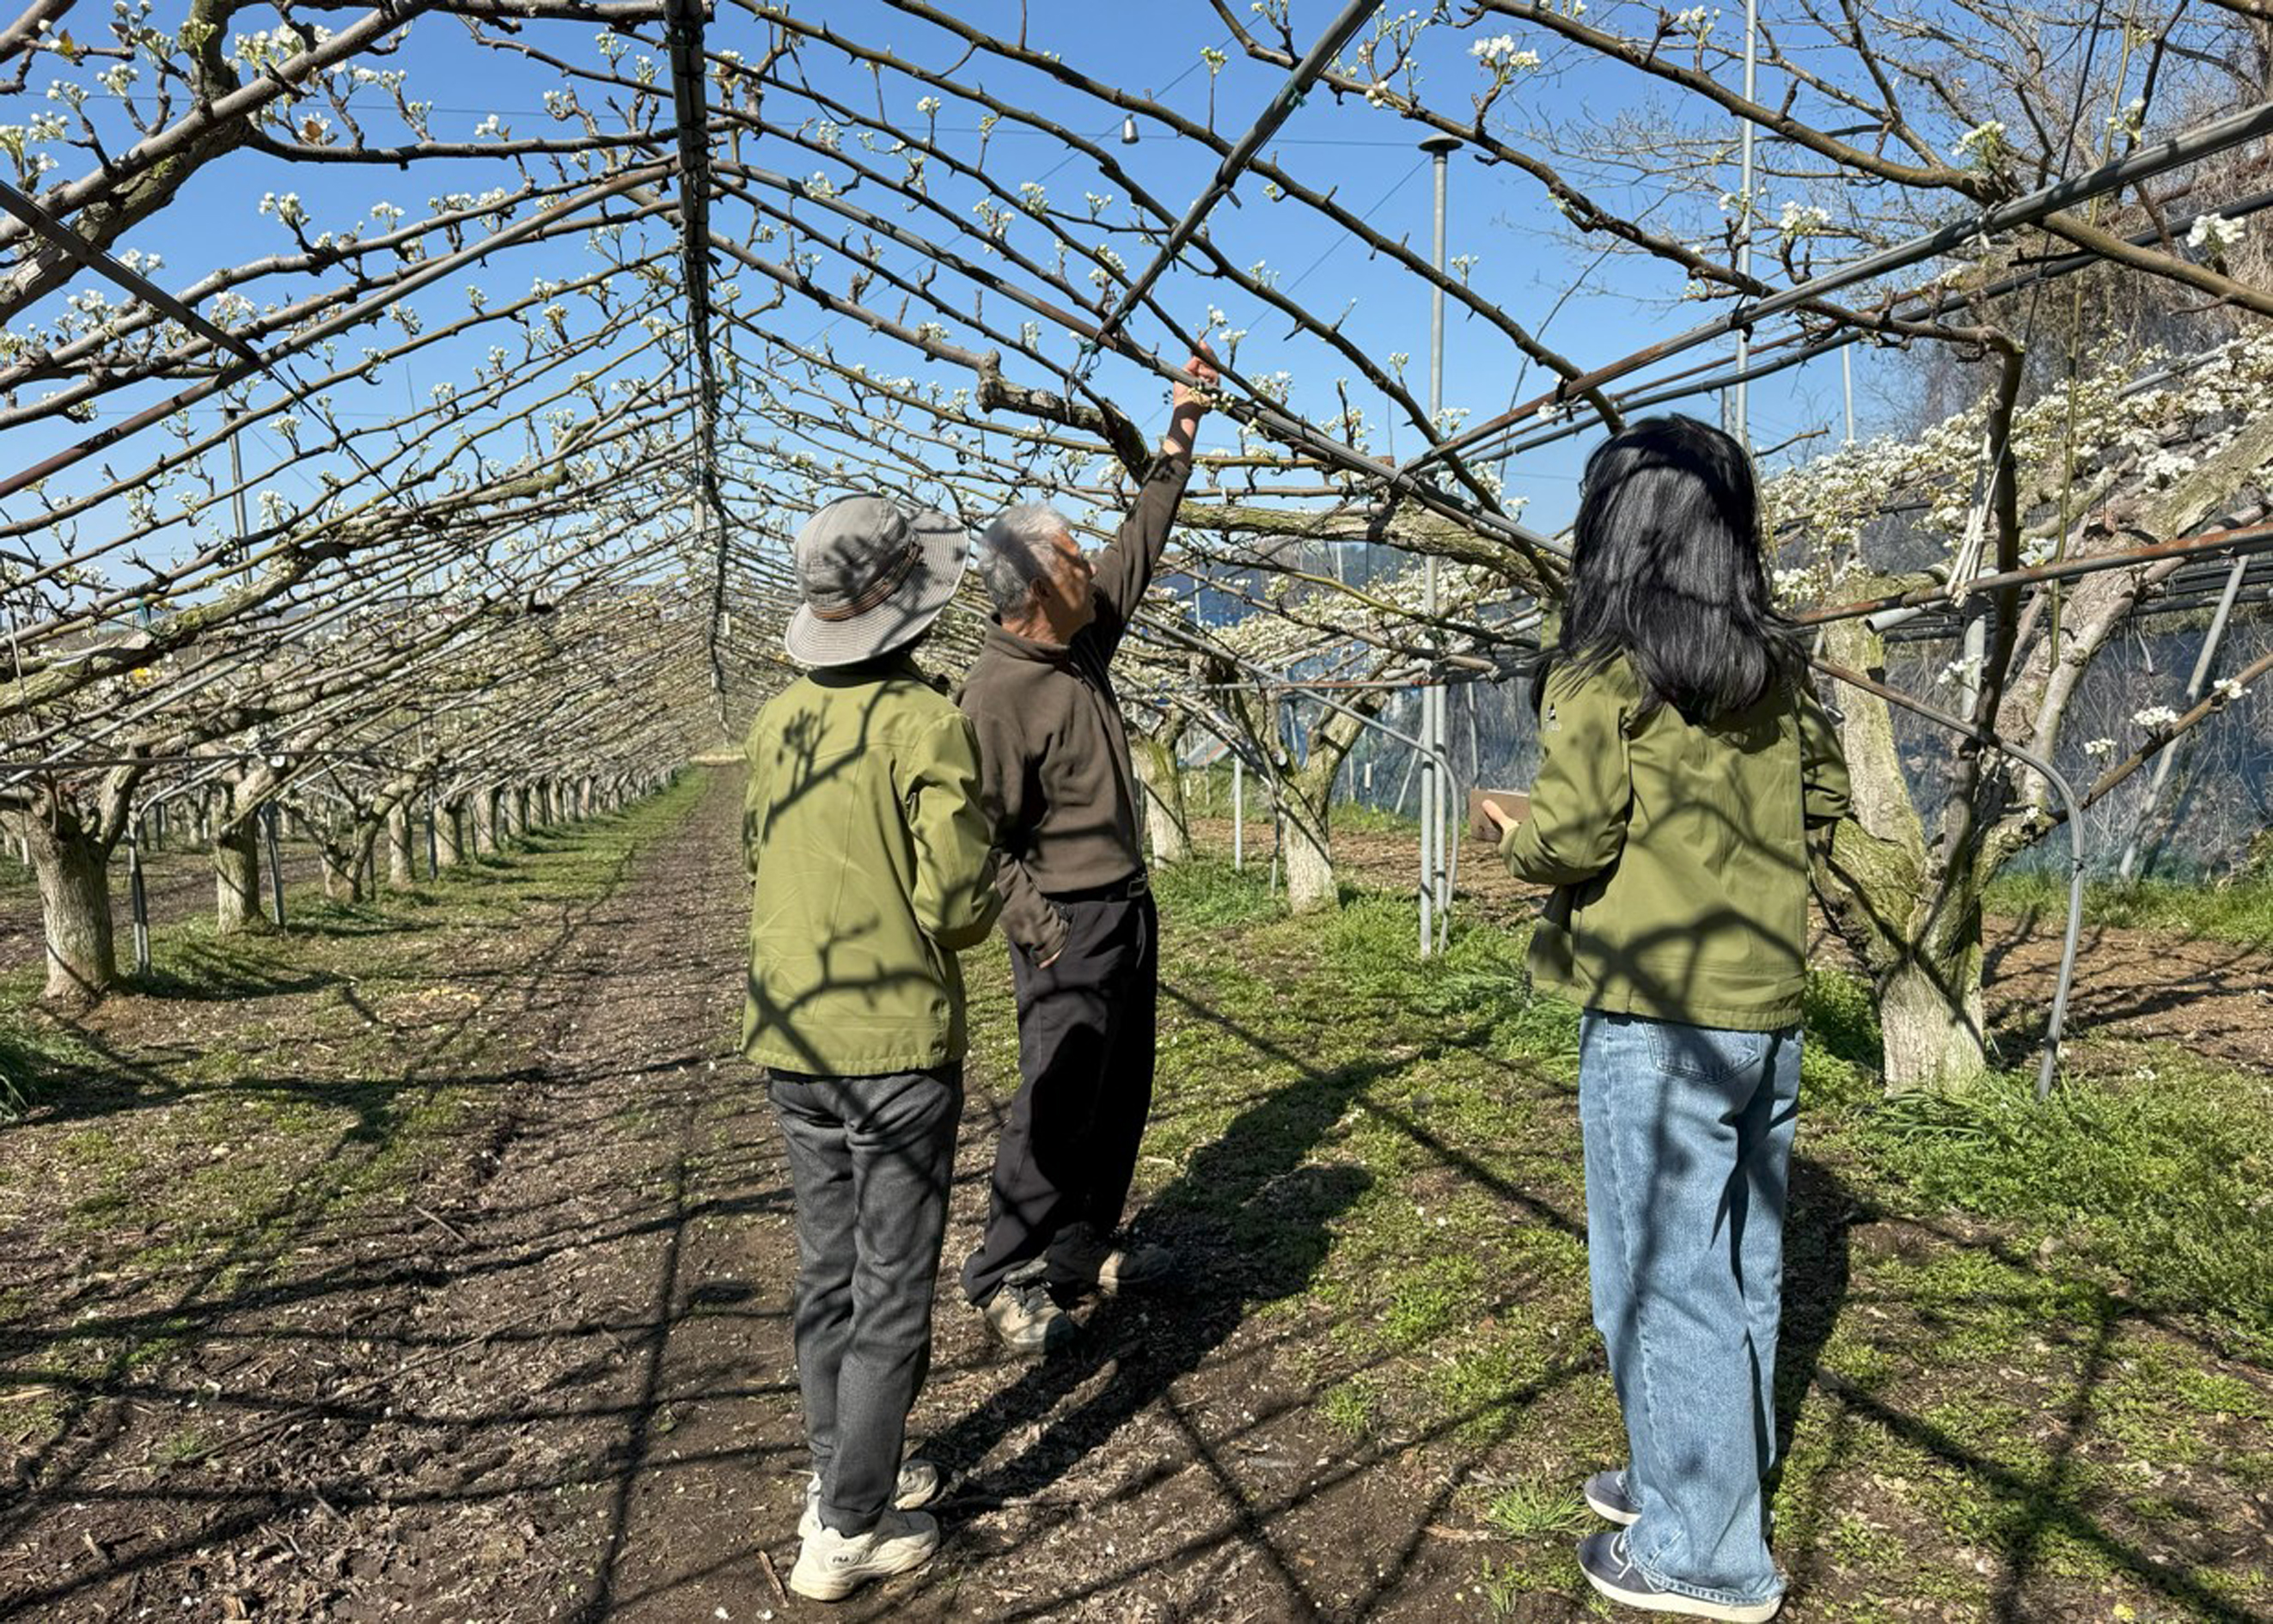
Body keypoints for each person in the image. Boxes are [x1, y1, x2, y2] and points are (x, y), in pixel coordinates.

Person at [1483, 415, 1849, 1624]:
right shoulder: (1774, 664)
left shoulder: (1604, 670)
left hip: (1653, 1011)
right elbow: (1824, 797)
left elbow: (1577, 832)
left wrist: (1511, 835)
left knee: (1652, 1275)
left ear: (1612, 531)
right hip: (1765, 1011)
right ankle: (1683, 1473)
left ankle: (1705, 1553)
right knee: (1735, 1262)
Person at [742, 494, 1001, 1603]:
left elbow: (760, 854)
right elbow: (955, 905)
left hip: (795, 1033)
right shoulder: (921, 722)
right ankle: (848, 1526)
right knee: (892, 1283)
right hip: (895, 1046)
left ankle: (840, 1463)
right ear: (907, 608)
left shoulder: (773, 722)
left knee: (826, 1269)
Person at [956, 346, 1219, 1355]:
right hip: (1067, 920)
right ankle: (1001, 1272)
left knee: (1119, 1091)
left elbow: (1137, 549)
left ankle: (1081, 1251)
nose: (1088, 566)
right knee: (1052, 1099)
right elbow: (974, 838)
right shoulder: (995, 693)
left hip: (1125, 904)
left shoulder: (1076, 642)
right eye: (1071, 557)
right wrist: (1042, 929)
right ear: (1028, 588)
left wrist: (1178, 440)